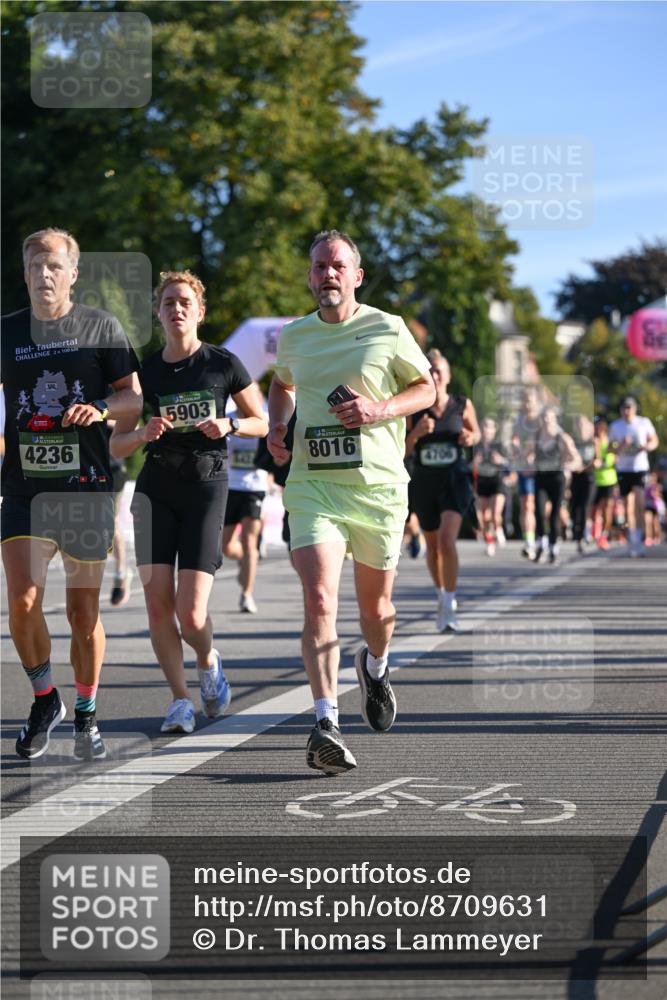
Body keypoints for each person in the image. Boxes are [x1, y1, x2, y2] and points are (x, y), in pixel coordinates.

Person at [268, 230, 434, 775]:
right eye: (319, 267)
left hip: (380, 489)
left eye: (337, 266)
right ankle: (325, 722)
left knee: (376, 613)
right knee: (318, 599)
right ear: (311, 276)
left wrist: (380, 409)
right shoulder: (294, 336)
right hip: (314, 485)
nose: (327, 275)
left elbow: (427, 390)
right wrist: (276, 424)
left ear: (356, 276)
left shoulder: (386, 328)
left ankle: (377, 667)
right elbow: (282, 384)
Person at [1, 227, 142, 761]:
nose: (44, 275)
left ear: (73, 273)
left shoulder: (100, 326)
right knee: (22, 602)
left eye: (54, 266)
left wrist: (101, 410)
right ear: (24, 272)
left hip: (84, 489)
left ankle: (86, 711)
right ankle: (44, 699)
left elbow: (133, 397)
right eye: (35, 265)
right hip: (23, 488)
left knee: (82, 616)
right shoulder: (7, 331)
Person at [111, 271, 267, 733]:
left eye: (184, 302)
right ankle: (180, 699)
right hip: (155, 491)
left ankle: (207, 659)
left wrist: (230, 425)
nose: (176, 309)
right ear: (158, 315)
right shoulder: (145, 373)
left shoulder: (223, 363)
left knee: (191, 612)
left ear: (200, 311)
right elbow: (118, 444)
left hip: (206, 486)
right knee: (157, 607)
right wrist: (143, 433)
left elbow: (261, 421)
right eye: (167, 303)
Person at [406, 350, 480, 630]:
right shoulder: (415, 408)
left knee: (448, 541)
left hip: (455, 479)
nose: (435, 375)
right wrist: (416, 434)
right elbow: (403, 449)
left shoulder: (461, 404)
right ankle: (441, 593)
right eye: (431, 370)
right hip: (425, 483)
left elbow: (477, 433)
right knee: (434, 547)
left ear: (448, 375)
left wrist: (471, 436)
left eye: (439, 370)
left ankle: (449, 603)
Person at [222, 404, 269, 614]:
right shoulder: (227, 420)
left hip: (254, 488)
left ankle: (246, 594)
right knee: (226, 547)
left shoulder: (263, 418)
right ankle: (245, 559)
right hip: (231, 486)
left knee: (251, 542)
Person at [608, 396, 659, 556]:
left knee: (640, 501)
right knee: (627, 505)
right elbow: (610, 447)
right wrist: (621, 445)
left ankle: (641, 537)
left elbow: (654, 440)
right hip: (623, 469)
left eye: (629, 408)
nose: (626, 411)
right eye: (624, 408)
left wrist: (648, 446)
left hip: (640, 468)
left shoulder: (644, 422)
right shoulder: (616, 426)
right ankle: (633, 539)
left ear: (635, 409)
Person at [532, 407, 581, 564]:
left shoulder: (562, 437)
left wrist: (568, 465)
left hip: (557, 479)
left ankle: (553, 546)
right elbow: (525, 454)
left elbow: (576, 459)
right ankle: (542, 541)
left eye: (549, 417)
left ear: (555, 419)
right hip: (541, 478)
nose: (546, 420)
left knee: (554, 514)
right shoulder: (537, 436)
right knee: (539, 511)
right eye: (544, 417)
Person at [511, 386, 541, 559]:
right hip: (525, 468)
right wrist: (517, 448)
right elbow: (513, 440)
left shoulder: (542, 420)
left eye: (529, 400)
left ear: (536, 402)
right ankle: (529, 541)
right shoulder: (518, 420)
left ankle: (544, 536)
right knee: (526, 504)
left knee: (542, 506)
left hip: (542, 469)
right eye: (524, 400)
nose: (526, 403)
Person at [472, 415, 508, 557]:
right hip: (482, 483)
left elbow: (509, 463)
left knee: (495, 514)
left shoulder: (499, 445)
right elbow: (468, 466)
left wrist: (500, 460)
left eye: (489, 426)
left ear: (494, 430)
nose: (486, 429)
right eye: (484, 426)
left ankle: (499, 529)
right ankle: (490, 542)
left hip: (497, 482)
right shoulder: (476, 446)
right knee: (485, 517)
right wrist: (474, 462)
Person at [569, 414, 596, 554]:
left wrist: (585, 467)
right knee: (575, 508)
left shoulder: (593, 441)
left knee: (585, 506)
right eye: (578, 424)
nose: (580, 427)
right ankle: (578, 537)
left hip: (589, 477)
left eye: (582, 424)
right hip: (575, 477)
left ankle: (586, 532)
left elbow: (597, 460)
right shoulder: (572, 441)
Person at [591, 418, 618, 550]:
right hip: (595, 480)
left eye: (601, 428)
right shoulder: (593, 442)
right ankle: (594, 533)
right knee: (595, 509)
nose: (599, 431)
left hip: (609, 479)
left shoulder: (610, 442)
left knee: (607, 508)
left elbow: (614, 458)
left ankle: (604, 535)